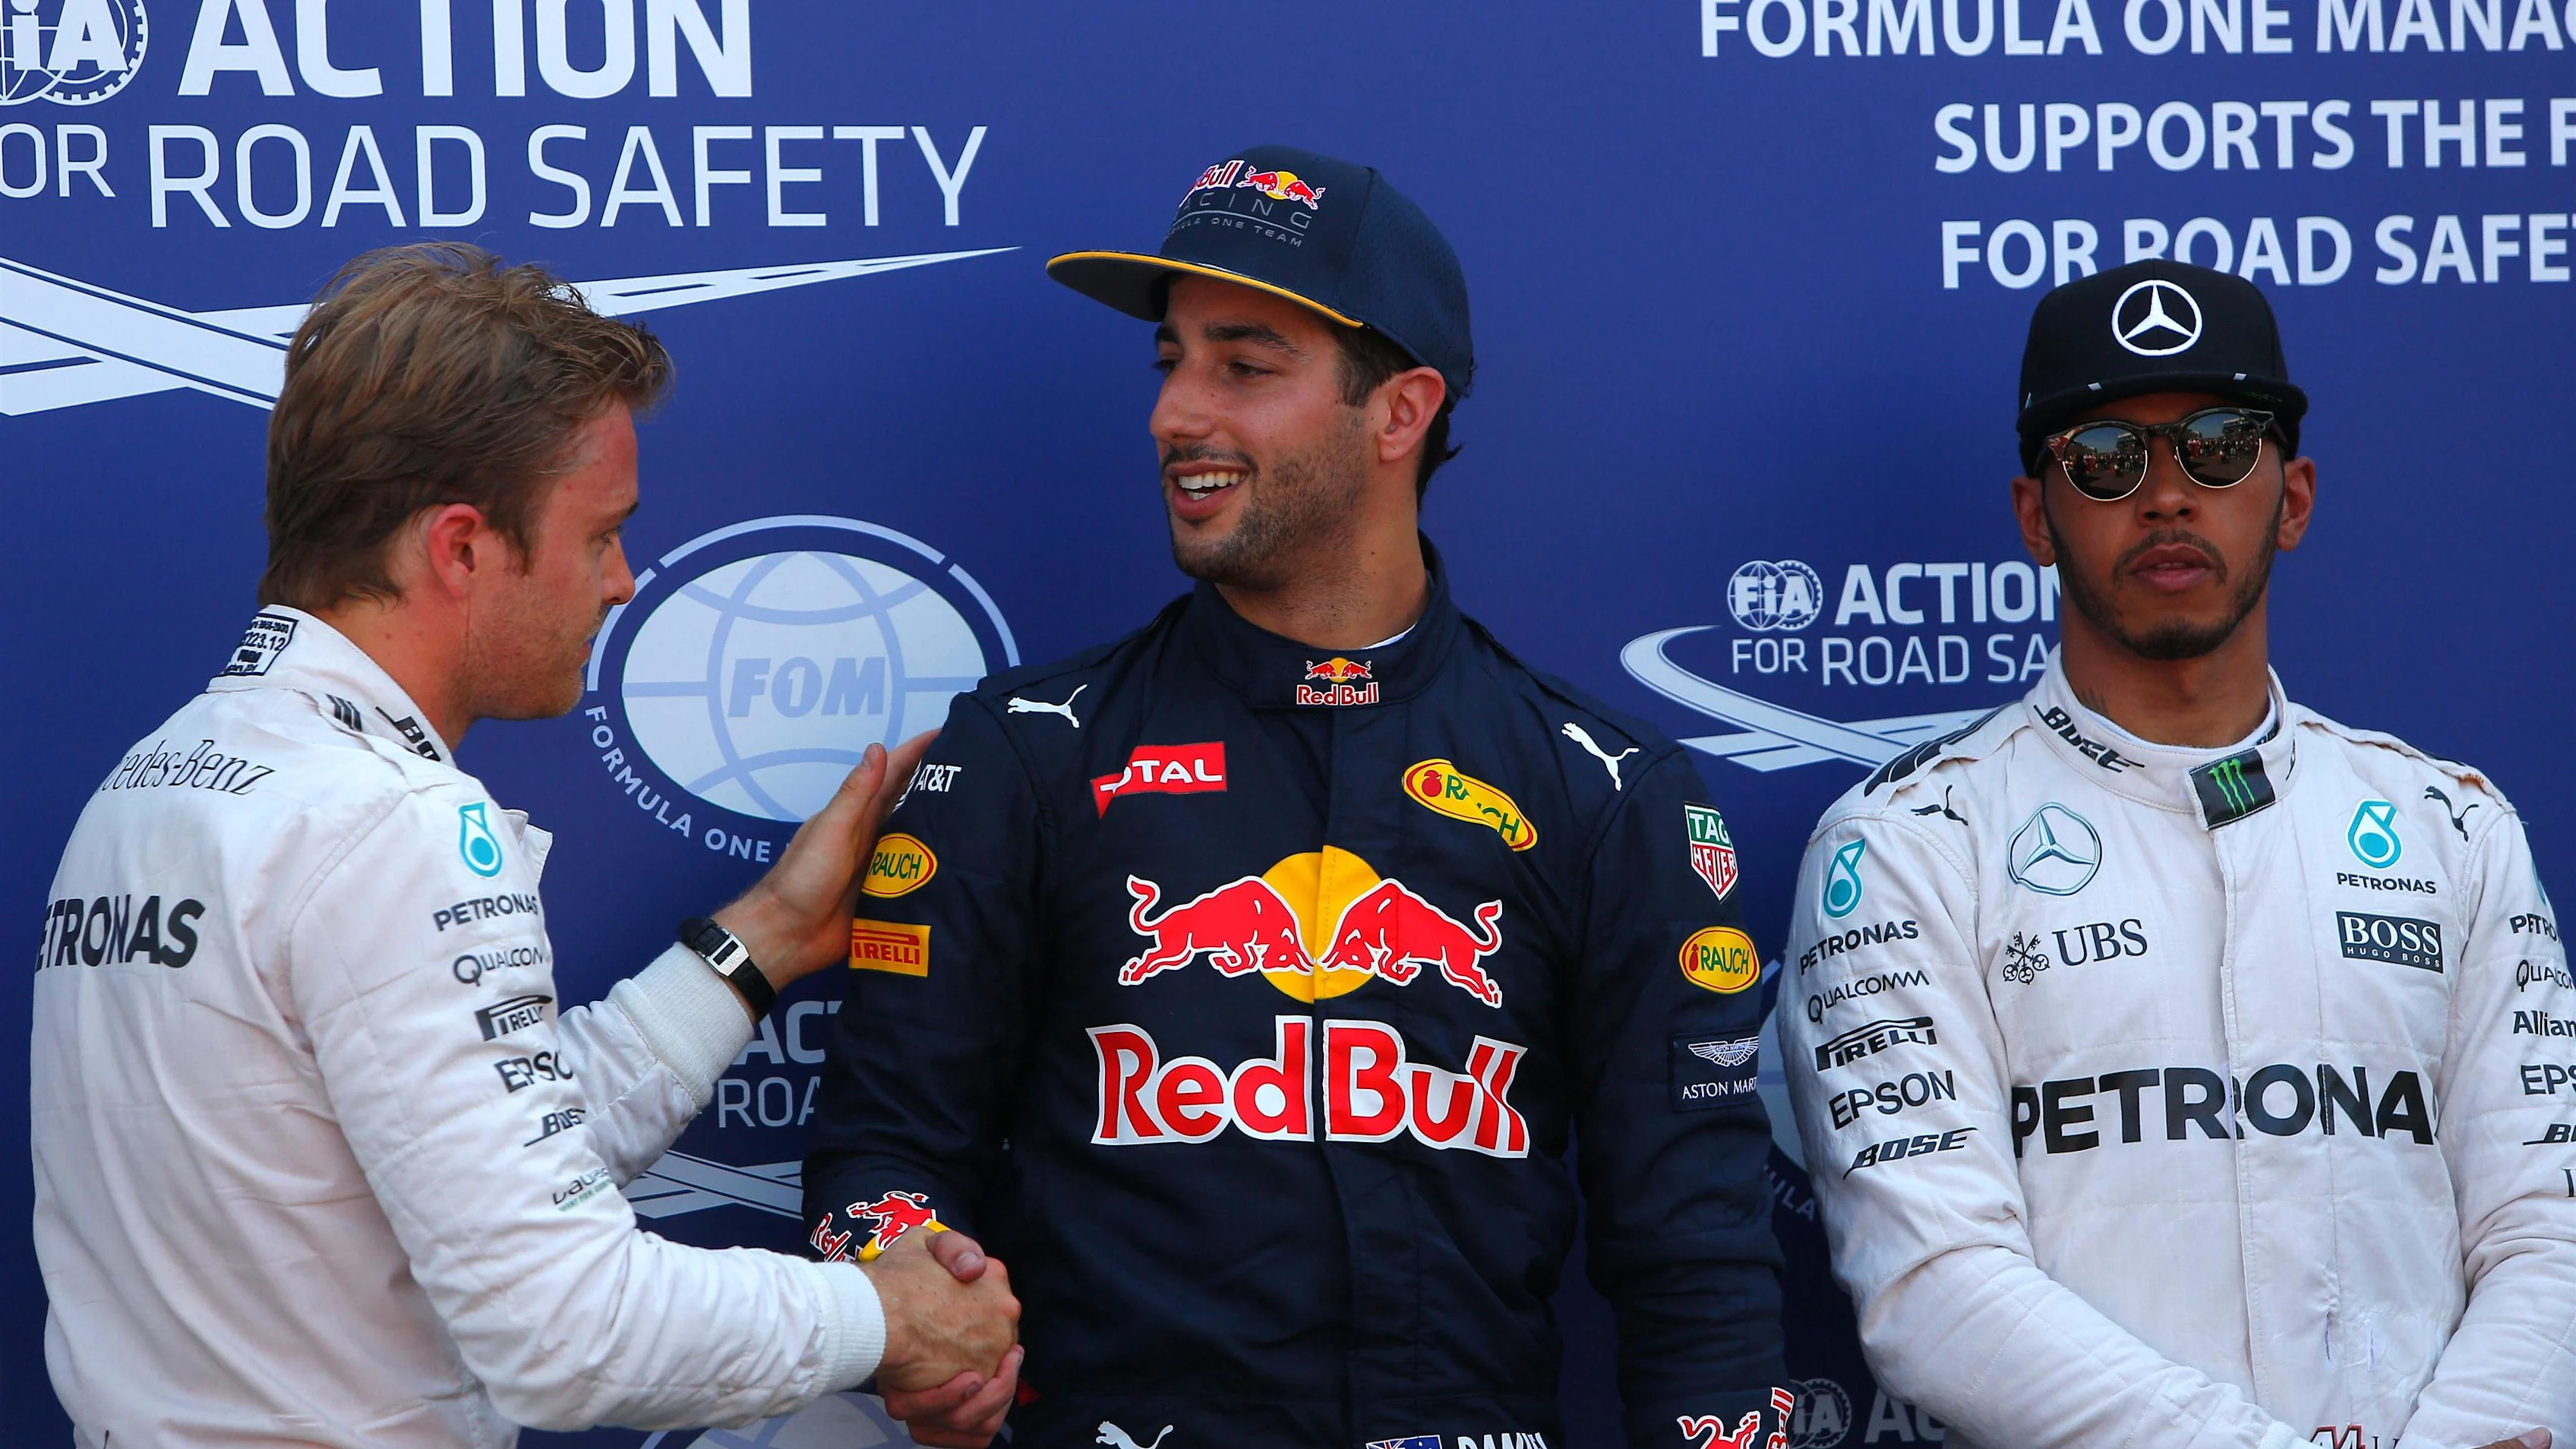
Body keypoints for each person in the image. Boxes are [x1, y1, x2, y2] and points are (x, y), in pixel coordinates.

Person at [802, 144, 1788, 1449]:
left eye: (1244, 366)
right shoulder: (1025, 756)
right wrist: (912, 1296)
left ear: (1401, 412)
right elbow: (880, 1148)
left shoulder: (1604, 790)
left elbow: (1698, 1257)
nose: (1175, 414)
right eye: (1170, 363)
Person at [30, 244, 1020, 1448]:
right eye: (599, 533)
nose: (621, 580)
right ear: (460, 547)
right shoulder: (391, 828)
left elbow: (467, 1175)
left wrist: (762, 940)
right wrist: (888, 1314)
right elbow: (564, 1330)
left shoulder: (155, 782)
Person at [1779, 258, 2574, 1449]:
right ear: (2036, 516)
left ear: (2292, 498)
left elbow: (2547, 1226)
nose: (2165, 496)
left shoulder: (2451, 828)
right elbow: (1931, 1280)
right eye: (2105, 456)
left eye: (2217, 446)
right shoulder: (1906, 846)